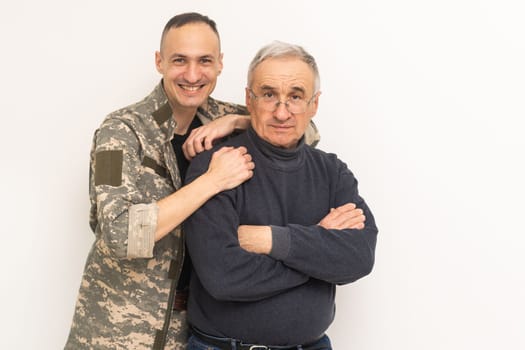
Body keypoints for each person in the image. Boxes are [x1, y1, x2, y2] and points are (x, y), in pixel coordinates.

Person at [64, 13, 322, 350]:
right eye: (179, 60)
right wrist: (211, 181)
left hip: (194, 330)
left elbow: (306, 131)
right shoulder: (122, 132)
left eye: (204, 61)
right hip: (119, 330)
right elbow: (119, 235)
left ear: (220, 64)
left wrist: (237, 121)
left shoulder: (221, 117)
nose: (192, 74)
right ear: (159, 62)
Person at [184, 40, 378, 350]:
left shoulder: (332, 171)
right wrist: (317, 251)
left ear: (313, 105)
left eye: (296, 96)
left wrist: (270, 240)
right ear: (249, 99)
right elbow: (222, 276)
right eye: (269, 94)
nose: (282, 111)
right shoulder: (216, 167)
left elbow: (359, 256)